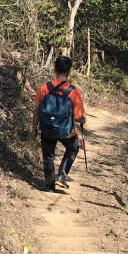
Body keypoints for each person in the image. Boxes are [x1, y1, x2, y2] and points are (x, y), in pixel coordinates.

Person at [31, 55, 86, 191]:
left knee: (48, 157)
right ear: (69, 71)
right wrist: (82, 120)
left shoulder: (44, 88)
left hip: (47, 130)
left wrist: (33, 130)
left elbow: (36, 111)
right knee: (73, 148)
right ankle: (61, 174)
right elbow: (78, 117)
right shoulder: (73, 92)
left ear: (55, 69)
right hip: (66, 132)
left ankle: (50, 186)